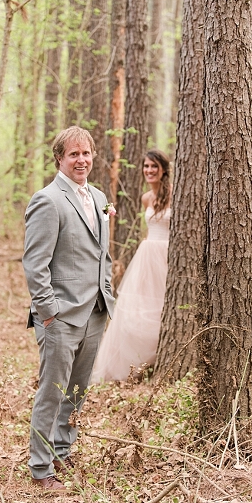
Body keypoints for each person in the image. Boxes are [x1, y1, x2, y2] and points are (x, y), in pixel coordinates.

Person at [23, 126, 115, 491]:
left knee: (77, 390)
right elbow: (35, 263)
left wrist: (106, 293)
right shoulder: (47, 200)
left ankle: (63, 449)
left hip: (95, 312)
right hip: (59, 316)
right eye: (73, 154)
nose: (82, 160)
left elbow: (102, 254)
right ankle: (41, 466)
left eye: (87, 153)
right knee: (53, 389)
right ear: (59, 158)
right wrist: (48, 312)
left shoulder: (98, 196)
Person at [91, 149, 172, 383]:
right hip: (148, 255)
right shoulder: (146, 198)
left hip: (168, 254)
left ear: (164, 169)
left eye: (154, 167)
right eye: (146, 166)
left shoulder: (175, 193)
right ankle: (133, 365)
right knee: (138, 308)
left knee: (162, 305)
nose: (149, 171)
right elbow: (151, 227)